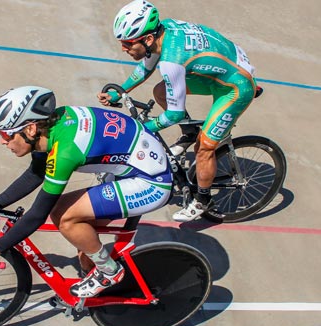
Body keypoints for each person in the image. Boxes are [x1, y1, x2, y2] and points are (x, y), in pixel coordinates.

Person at [0, 85, 173, 298]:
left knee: (64, 216)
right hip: (131, 167)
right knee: (84, 245)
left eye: (6, 134)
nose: (2, 141)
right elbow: (36, 172)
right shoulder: (52, 125)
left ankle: (110, 272)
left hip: (150, 182)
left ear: (30, 129)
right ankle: (104, 287)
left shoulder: (66, 151)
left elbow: (37, 214)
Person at [98, 0, 258, 222]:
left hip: (236, 87)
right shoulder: (164, 31)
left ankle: (204, 200)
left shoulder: (172, 61)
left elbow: (174, 113)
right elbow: (146, 66)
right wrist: (120, 91)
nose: (124, 49)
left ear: (148, 39)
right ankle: (189, 132)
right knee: (160, 90)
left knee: (204, 148)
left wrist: (141, 129)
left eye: (128, 44)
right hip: (224, 68)